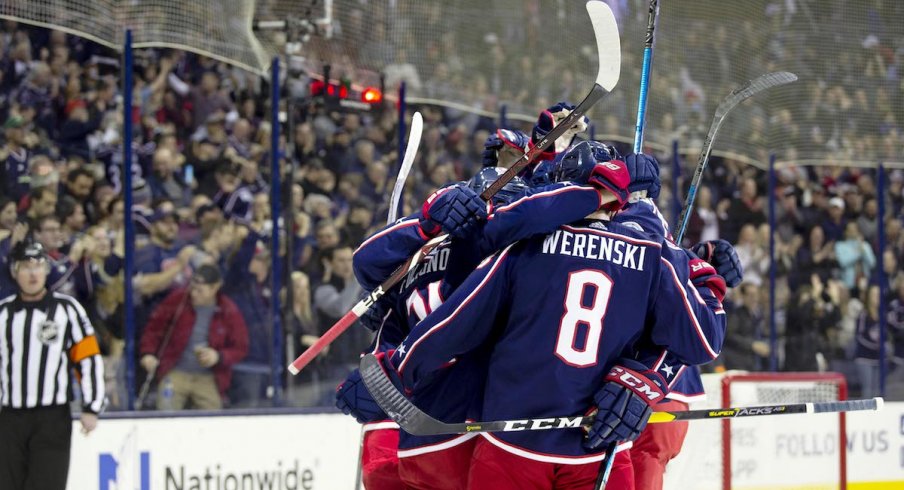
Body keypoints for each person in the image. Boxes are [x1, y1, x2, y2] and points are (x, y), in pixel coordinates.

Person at [356, 149, 727, 489]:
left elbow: (452, 325)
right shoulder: (652, 251)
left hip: (503, 439)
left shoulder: (523, 246)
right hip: (597, 447)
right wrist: (702, 278)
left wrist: (394, 369)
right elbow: (703, 340)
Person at [0, 241, 105, 490]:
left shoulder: (67, 310)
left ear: (47, 270)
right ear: (15, 272)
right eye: (26, 266)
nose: (33, 273)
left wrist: (92, 406)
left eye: (39, 265)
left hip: (52, 418)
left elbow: (88, 358)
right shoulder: (3, 314)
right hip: (9, 419)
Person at [139, 263, 249, 409]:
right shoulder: (177, 301)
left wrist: (219, 356)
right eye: (192, 288)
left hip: (208, 378)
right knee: (165, 411)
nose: (193, 294)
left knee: (214, 415)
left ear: (214, 288)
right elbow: (154, 328)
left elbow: (241, 347)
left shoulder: (228, 310)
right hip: (175, 372)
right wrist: (148, 353)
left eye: (200, 291)